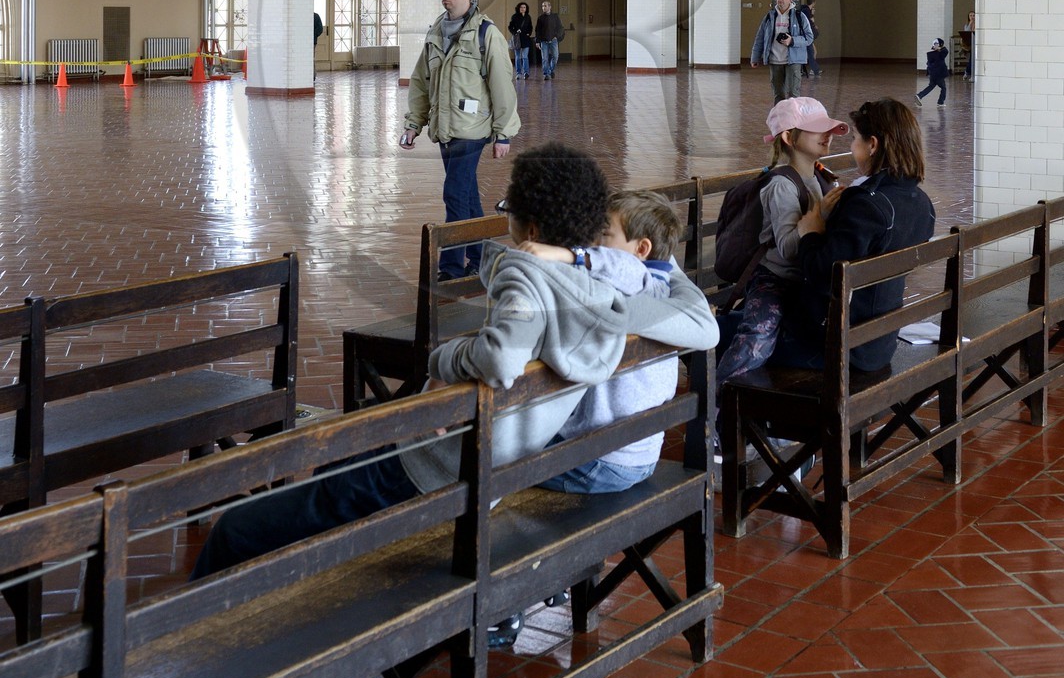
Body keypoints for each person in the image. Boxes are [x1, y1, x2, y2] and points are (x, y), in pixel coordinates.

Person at [190, 144, 717, 603]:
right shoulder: (619, 288)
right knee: (351, 460)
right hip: (489, 460)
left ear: (531, 227)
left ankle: (189, 645)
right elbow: (681, 308)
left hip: (449, 469)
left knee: (239, 527)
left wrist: (441, 360)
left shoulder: (531, 276)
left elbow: (503, 358)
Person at [521, 188, 719, 494]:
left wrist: (572, 255)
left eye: (604, 235)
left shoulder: (630, 288)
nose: (595, 243)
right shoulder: (664, 293)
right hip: (639, 454)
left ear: (641, 249)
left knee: (492, 470)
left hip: (601, 460)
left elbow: (620, 268)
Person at [770, 98, 936, 374]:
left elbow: (823, 275)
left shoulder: (866, 205)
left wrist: (811, 232)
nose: (851, 146)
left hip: (835, 345)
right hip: (879, 340)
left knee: (723, 334)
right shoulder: (921, 203)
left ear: (873, 145)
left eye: (856, 139)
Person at [715, 97, 848, 386]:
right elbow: (788, 249)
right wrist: (820, 215)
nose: (827, 135)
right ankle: (715, 409)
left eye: (828, 128)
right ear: (789, 137)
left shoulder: (822, 178)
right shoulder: (781, 185)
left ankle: (771, 423)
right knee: (756, 339)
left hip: (806, 280)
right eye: (816, 129)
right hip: (774, 279)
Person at [400, 0, 519, 278]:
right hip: (446, 128)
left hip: (473, 129)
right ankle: (482, 259)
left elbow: (502, 85)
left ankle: (452, 269)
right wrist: (414, 124)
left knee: (453, 193)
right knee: (465, 195)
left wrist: (503, 133)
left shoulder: (486, 33)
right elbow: (421, 81)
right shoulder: (436, 31)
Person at [750, 0, 813, 103]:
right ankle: (779, 120)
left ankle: (794, 120)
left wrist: (792, 41)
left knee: (793, 95)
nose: (780, 0)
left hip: (793, 61)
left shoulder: (800, 16)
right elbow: (760, 38)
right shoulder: (769, 17)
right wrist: (755, 57)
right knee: (778, 95)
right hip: (775, 61)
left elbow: (809, 38)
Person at [535, 0, 564, 80]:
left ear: (550, 7)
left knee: (555, 57)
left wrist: (557, 36)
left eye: (545, 6)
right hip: (544, 41)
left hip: (553, 40)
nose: (543, 7)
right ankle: (546, 74)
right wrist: (537, 41)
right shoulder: (540, 18)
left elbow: (560, 28)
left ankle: (551, 70)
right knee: (545, 58)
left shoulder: (555, 17)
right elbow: (537, 30)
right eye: (542, 6)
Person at [916, 37, 949, 106]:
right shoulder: (940, 55)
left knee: (931, 86)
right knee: (943, 87)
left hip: (932, 74)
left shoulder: (931, 55)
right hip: (938, 75)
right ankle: (941, 102)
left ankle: (919, 96)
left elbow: (929, 64)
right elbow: (945, 51)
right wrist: (940, 48)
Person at [508, 1, 533, 79]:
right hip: (517, 39)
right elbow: (510, 27)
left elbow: (530, 26)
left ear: (526, 9)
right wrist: (515, 32)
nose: (523, 9)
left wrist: (529, 33)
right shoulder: (514, 17)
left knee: (525, 56)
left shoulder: (528, 17)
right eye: (521, 7)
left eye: (524, 7)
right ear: (518, 8)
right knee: (518, 57)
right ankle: (518, 73)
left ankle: (526, 73)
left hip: (525, 38)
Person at [799, 0, 821, 78]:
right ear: (814, 2)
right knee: (812, 52)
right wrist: (812, 16)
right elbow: (808, 22)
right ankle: (814, 70)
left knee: (811, 52)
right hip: (807, 36)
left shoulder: (805, 10)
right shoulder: (806, 11)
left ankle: (812, 70)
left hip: (806, 36)